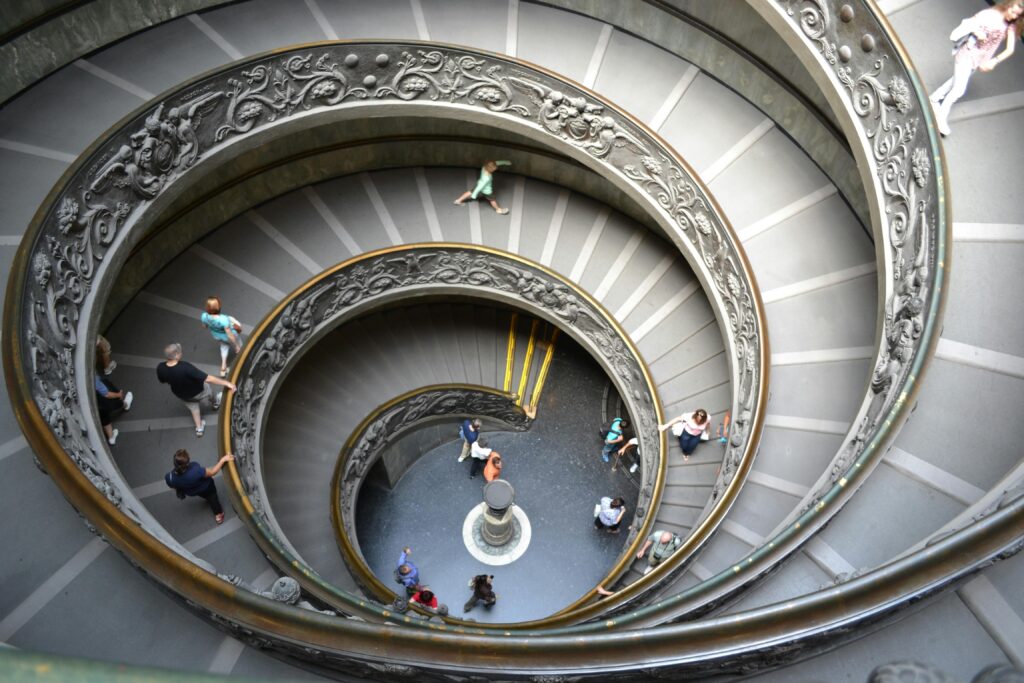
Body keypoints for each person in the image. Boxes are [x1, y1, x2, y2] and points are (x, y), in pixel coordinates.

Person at [931, 0, 1023, 136]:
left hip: (979, 60)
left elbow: (1010, 49)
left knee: (955, 81)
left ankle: (934, 98)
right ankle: (941, 116)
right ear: (1009, 5)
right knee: (959, 89)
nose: (1014, 16)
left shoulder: (1010, 26)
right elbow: (968, 24)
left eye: (1018, 16)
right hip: (967, 54)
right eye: (1013, 11)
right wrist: (977, 31)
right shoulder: (990, 14)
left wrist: (994, 61)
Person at [156, 343, 236, 437]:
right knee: (209, 392)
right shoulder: (185, 367)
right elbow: (207, 378)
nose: (182, 353)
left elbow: (162, 381)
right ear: (176, 355)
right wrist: (227, 383)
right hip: (199, 390)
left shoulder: (161, 368)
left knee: (194, 409)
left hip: (182, 394)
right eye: (180, 352)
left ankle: (199, 428)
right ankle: (215, 403)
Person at [164, 449, 235, 525]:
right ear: (187, 463)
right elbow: (212, 472)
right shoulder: (196, 471)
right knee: (212, 498)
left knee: (204, 495)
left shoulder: (169, 477)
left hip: (192, 491)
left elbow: (173, 487)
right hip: (207, 487)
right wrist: (223, 460)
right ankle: (218, 514)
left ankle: (208, 501)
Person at [200, 296, 243, 378]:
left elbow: (204, 326)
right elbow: (230, 334)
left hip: (217, 336)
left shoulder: (204, 316)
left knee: (224, 348)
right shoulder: (223, 319)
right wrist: (236, 346)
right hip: (228, 336)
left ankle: (223, 368)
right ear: (218, 307)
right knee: (240, 346)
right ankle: (242, 358)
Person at [94, 375, 133, 445]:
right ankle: (125, 405)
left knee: (103, 416)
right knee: (115, 401)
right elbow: (106, 394)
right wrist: (119, 395)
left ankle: (111, 437)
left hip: (96, 405)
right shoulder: (94, 380)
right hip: (102, 400)